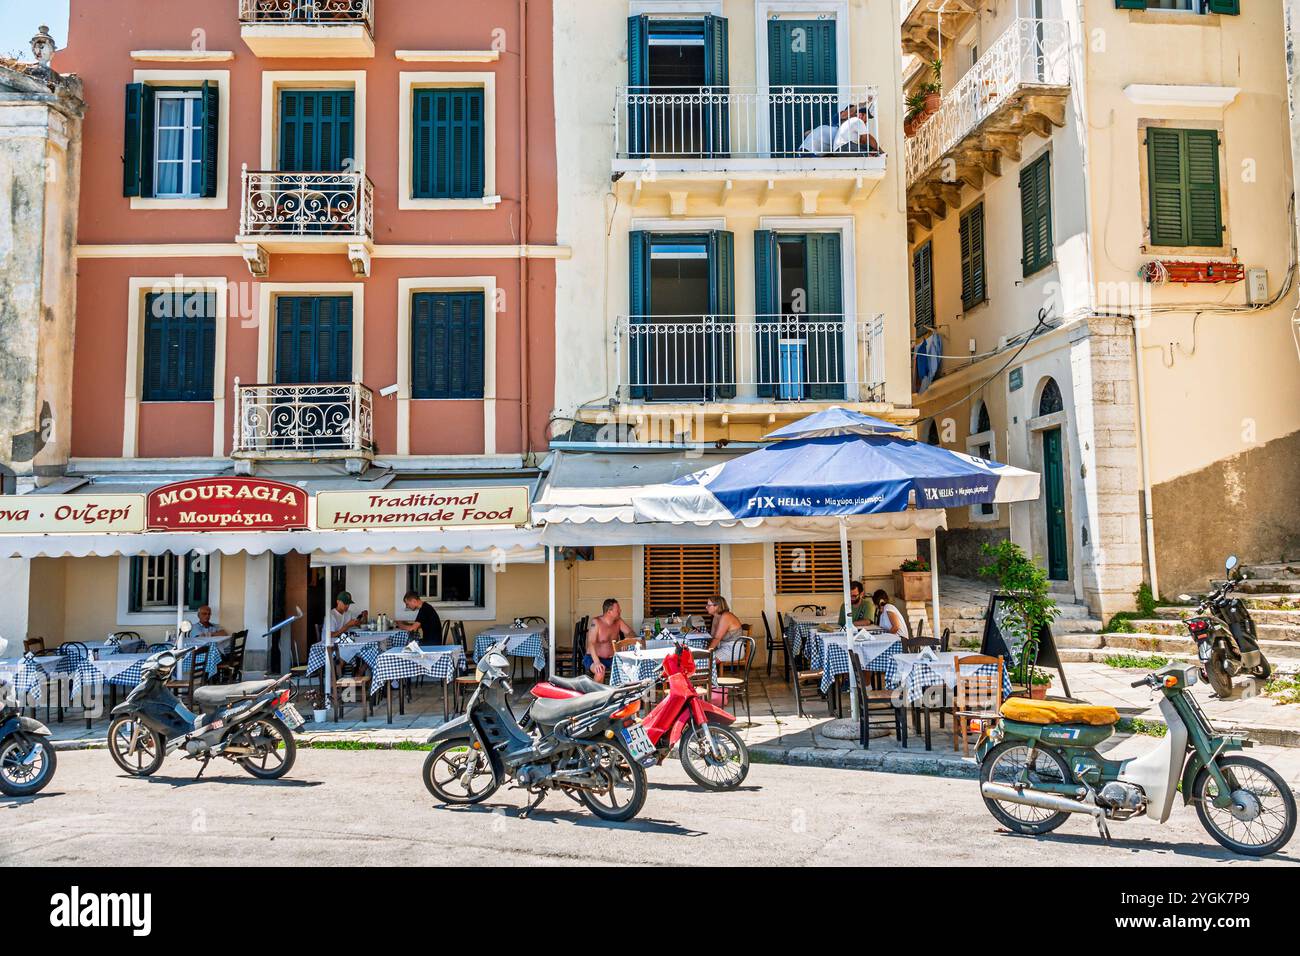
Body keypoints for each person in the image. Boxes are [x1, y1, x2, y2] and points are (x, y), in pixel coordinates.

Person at [585, 598, 634, 683]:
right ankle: (595, 694)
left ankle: (622, 694)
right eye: (618, 609)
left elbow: (630, 632)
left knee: (630, 669)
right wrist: (597, 662)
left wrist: (627, 639)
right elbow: (591, 642)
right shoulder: (596, 622)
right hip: (594, 658)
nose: (620, 610)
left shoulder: (618, 621)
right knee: (600, 671)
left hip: (612, 658)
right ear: (609, 611)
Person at [704, 595, 745, 662]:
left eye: (709, 605)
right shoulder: (716, 617)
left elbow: (717, 638)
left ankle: (706, 671)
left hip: (733, 649)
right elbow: (713, 637)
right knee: (701, 656)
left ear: (716, 606)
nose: (706, 607)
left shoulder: (726, 616)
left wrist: (706, 652)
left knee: (707, 659)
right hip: (723, 647)